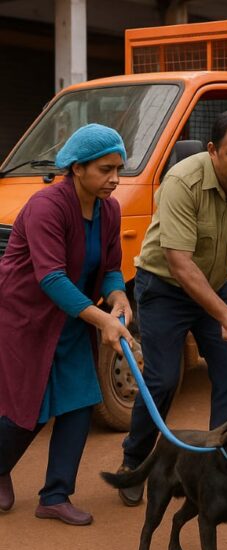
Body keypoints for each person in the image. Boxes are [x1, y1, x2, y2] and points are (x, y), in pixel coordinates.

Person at [118, 109, 227, 506]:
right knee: (161, 379)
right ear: (212, 150)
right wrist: (226, 315)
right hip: (165, 286)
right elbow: (179, 261)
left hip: (219, 286)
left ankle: (215, 463)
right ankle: (133, 463)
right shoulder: (182, 181)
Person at [0, 124, 133, 525]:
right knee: (29, 407)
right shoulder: (46, 207)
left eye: (119, 169)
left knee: (79, 401)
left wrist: (119, 297)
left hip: (72, 316)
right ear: (77, 168)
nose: (114, 179)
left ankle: (55, 495)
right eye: (105, 169)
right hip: (24, 318)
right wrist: (100, 319)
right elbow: (51, 278)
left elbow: (110, 268)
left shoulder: (109, 209)